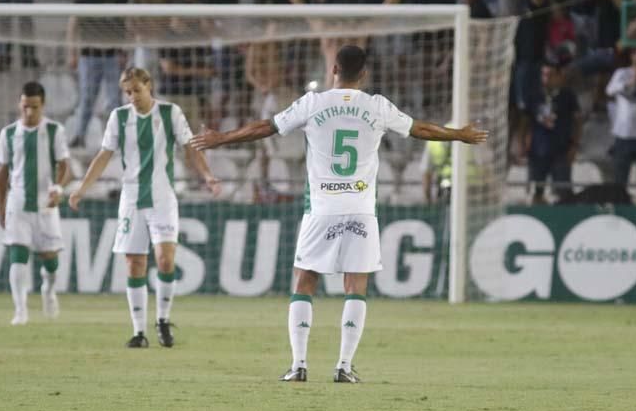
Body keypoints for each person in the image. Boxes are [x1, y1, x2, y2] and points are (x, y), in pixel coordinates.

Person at [189, 45, 487, 382]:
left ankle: (299, 365)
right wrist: (459, 135)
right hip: (361, 210)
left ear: (334, 69)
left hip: (322, 208)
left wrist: (221, 138)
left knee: (304, 280)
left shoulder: (313, 103)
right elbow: (422, 129)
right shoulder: (377, 106)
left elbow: (265, 127)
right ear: (364, 74)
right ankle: (344, 366)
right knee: (355, 285)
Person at [69, 66, 221, 348]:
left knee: (165, 259)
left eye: (136, 90)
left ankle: (163, 320)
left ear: (149, 86)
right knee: (134, 263)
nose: (132, 97)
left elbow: (190, 148)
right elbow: (104, 155)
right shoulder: (119, 117)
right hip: (131, 199)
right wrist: (82, 188)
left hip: (163, 197)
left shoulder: (170, 113)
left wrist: (208, 176)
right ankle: (139, 332)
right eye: (127, 92)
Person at [0, 81, 72, 325]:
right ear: (20, 103)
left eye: (35, 107)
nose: (29, 112)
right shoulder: (8, 133)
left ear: (43, 105)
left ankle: (48, 290)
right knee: (18, 254)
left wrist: (58, 188)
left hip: (45, 204)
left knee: (50, 259)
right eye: (25, 106)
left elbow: (65, 166)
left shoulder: (54, 131)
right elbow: (2, 172)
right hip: (17, 202)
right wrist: (1, 205)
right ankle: (20, 310)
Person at [67, 0, 128, 148]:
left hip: (112, 55)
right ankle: (80, 135)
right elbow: (73, 25)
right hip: (89, 55)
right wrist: (72, 52)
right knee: (86, 98)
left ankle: (118, 138)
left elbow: (126, 25)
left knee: (115, 99)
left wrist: (124, 51)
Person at [525, 61, 581, 204]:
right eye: (543, 75)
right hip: (538, 151)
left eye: (549, 75)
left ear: (558, 76)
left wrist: (574, 145)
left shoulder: (568, 95)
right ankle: (536, 218)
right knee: (536, 191)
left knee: (564, 193)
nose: (546, 79)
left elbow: (577, 122)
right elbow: (526, 120)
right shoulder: (535, 94)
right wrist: (524, 141)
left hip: (561, 150)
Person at [606, 48, 636, 205]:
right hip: (624, 135)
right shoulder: (622, 73)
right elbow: (610, 90)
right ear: (633, 55)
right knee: (620, 181)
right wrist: (633, 80)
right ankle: (621, 212)